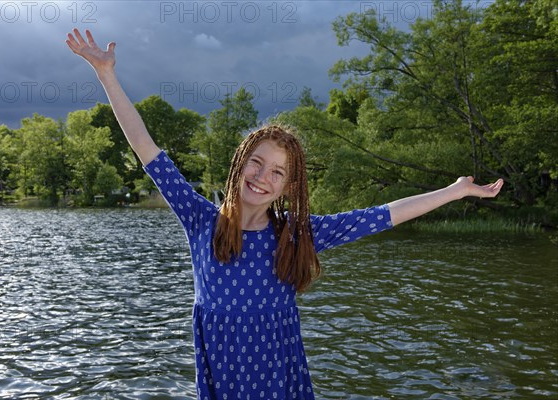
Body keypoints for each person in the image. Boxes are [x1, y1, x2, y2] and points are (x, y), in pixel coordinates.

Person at [66, 29, 503, 399]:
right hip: (222, 383)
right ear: (240, 164)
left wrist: (452, 191)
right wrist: (107, 75)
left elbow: (382, 215)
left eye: (277, 172)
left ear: (288, 186)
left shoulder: (296, 234)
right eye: (256, 163)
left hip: (280, 383)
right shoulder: (202, 221)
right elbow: (146, 148)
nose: (262, 177)